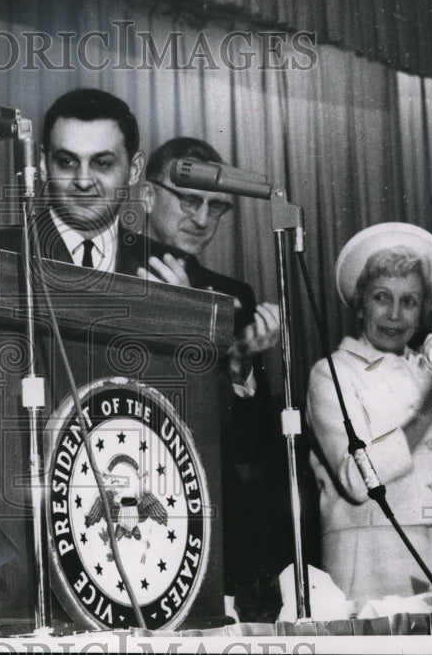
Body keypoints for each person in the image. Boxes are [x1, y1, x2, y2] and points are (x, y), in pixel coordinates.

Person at [305, 223, 432, 603]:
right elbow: (358, 479)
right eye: (381, 298)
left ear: (422, 311)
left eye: (409, 302)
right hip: (370, 559)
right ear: (359, 303)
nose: (394, 315)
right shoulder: (333, 372)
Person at [141, 137, 285, 618]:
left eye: (217, 208)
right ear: (146, 195)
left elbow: (249, 446)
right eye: (188, 199)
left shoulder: (232, 296)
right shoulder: (105, 272)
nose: (202, 220)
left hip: (212, 520)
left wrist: (241, 363)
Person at [0, 88, 189, 285]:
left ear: (135, 169)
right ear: (44, 165)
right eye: (67, 162)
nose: (83, 181)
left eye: (102, 163)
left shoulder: (173, 271)